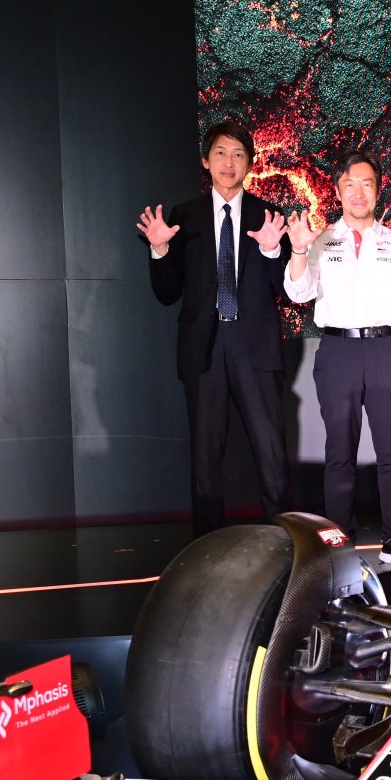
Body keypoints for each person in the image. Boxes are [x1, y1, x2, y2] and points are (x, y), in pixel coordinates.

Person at [138, 120, 293, 535]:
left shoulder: (267, 216)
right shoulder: (184, 216)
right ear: (206, 161)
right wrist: (160, 249)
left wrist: (272, 250)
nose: (229, 162)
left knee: (272, 451)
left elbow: (287, 288)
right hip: (204, 347)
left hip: (254, 345)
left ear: (250, 163)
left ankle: (285, 539)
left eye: (239, 154)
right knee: (206, 456)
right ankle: (206, 543)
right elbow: (168, 292)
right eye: (221, 153)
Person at [284, 152, 391, 566]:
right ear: (337, 191)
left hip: (386, 348)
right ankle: (339, 548)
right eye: (349, 184)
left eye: (367, 183)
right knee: (340, 453)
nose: (358, 192)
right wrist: (298, 250)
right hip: (338, 351)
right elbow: (298, 292)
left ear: (378, 189)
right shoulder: (320, 239)